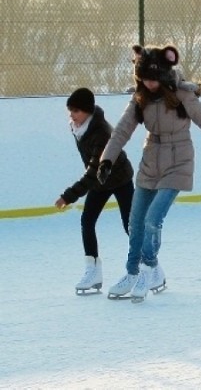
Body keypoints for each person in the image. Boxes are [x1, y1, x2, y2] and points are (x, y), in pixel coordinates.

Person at [97, 44, 201, 303]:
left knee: (154, 219)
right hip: (151, 159)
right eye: (143, 78)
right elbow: (121, 130)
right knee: (136, 222)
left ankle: (148, 268)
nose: (148, 83)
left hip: (179, 161)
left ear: (163, 75)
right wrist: (106, 160)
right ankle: (132, 273)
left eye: (152, 79)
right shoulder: (140, 97)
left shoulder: (182, 95)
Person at [55, 87, 134, 295]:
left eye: (76, 111)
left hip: (119, 178)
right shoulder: (78, 127)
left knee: (130, 225)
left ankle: (149, 267)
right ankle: (93, 271)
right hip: (100, 182)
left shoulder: (101, 132)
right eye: (70, 110)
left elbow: (92, 172)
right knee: (87, 220)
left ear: (88, 111)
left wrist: (68, 196)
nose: (71, 115)